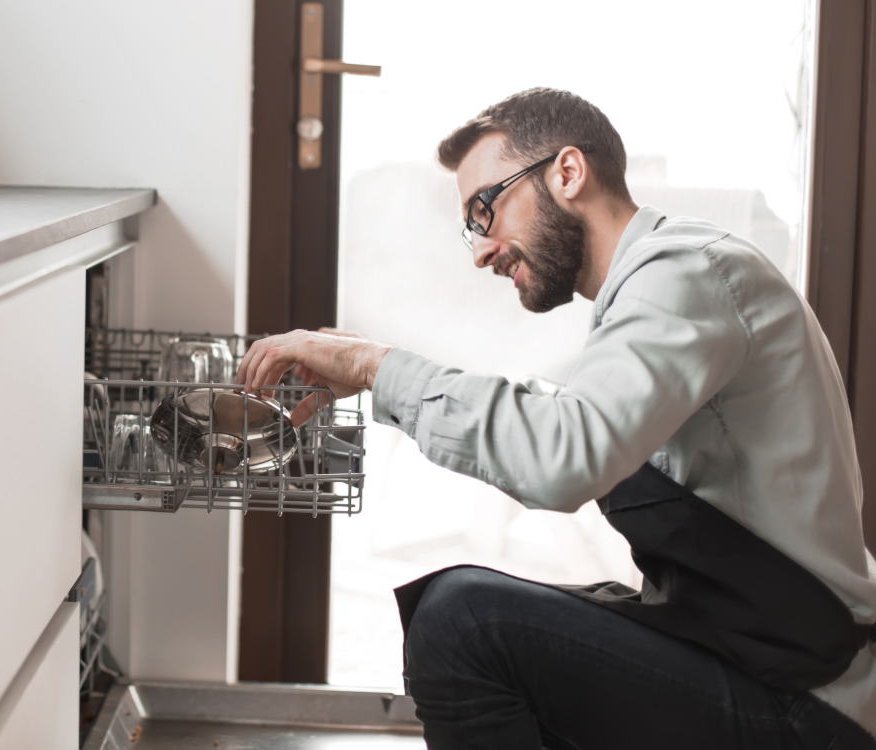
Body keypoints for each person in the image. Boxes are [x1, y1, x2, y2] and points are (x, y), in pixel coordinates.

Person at [236, 88, 876, 749]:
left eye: (486, 209)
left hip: (808, 701)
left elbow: (564, 454)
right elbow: (559, 415)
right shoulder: (654, 293)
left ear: (567, 173)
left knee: (463, 621)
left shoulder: (684, 273)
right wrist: (369, 374)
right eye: (470, 229)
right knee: (532, 616)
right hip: (761, 662)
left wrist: (377, 366)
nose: (481, 251)